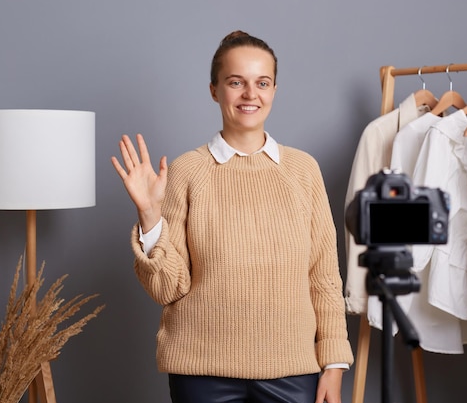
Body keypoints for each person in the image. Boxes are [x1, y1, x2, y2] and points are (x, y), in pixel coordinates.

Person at [111, 30, 354, 403]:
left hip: (292, 370)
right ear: (214, 90)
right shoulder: (186, 171)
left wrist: (334, 364)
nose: (250, 95)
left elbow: (323, 277)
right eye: (236, 82)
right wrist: (149, 214)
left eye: (262, 83)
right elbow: (167, 289)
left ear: (274, 90)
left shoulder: (303, 170)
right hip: (201, 373)